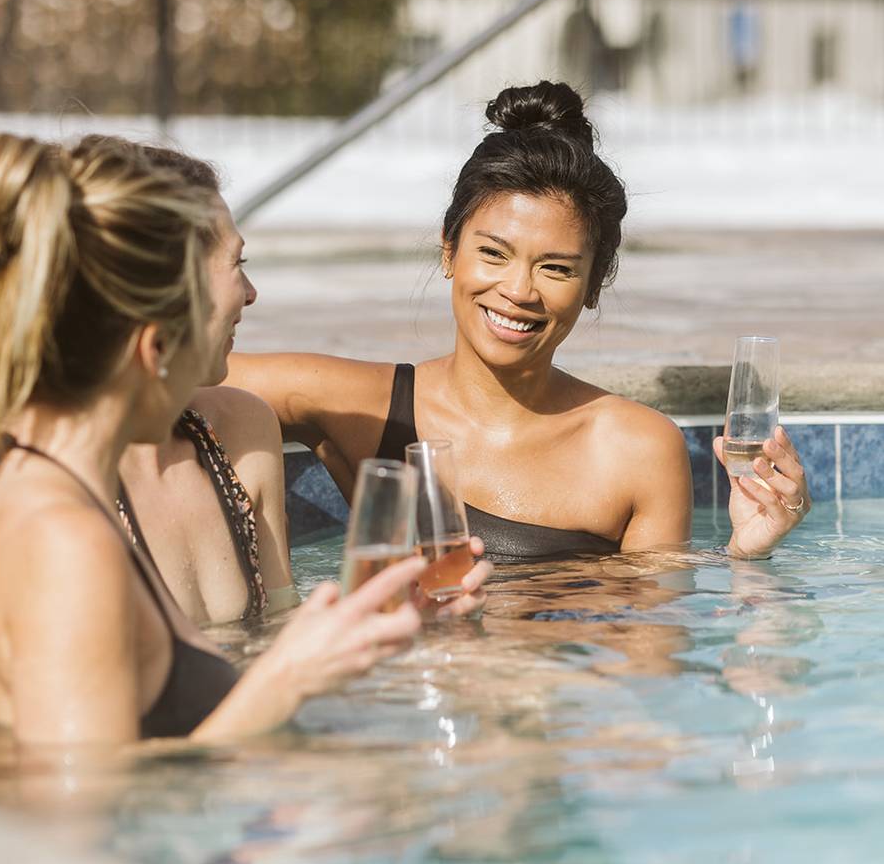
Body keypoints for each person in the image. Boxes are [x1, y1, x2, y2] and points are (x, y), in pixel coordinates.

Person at [0, 129, 424, 746]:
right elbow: (79, 800)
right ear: (155, 345)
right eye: (237, 265)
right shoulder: (69, 543)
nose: (250, 294)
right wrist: (282, 684)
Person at [228, 81, 812, 562]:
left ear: (593, 286)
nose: (517, 291)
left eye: (556, 268)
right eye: (494, 253)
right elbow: (182, 376)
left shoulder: (635, 449)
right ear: (449, 251)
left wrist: (746, 561)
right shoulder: (364, 408)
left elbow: (650, 649)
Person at [116, 144, 493, 626]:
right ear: (170, 286)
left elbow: (278, 632)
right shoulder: (63, 491)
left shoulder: (239, 434)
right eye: (237, 263)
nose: (251, 293)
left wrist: (401, 624)